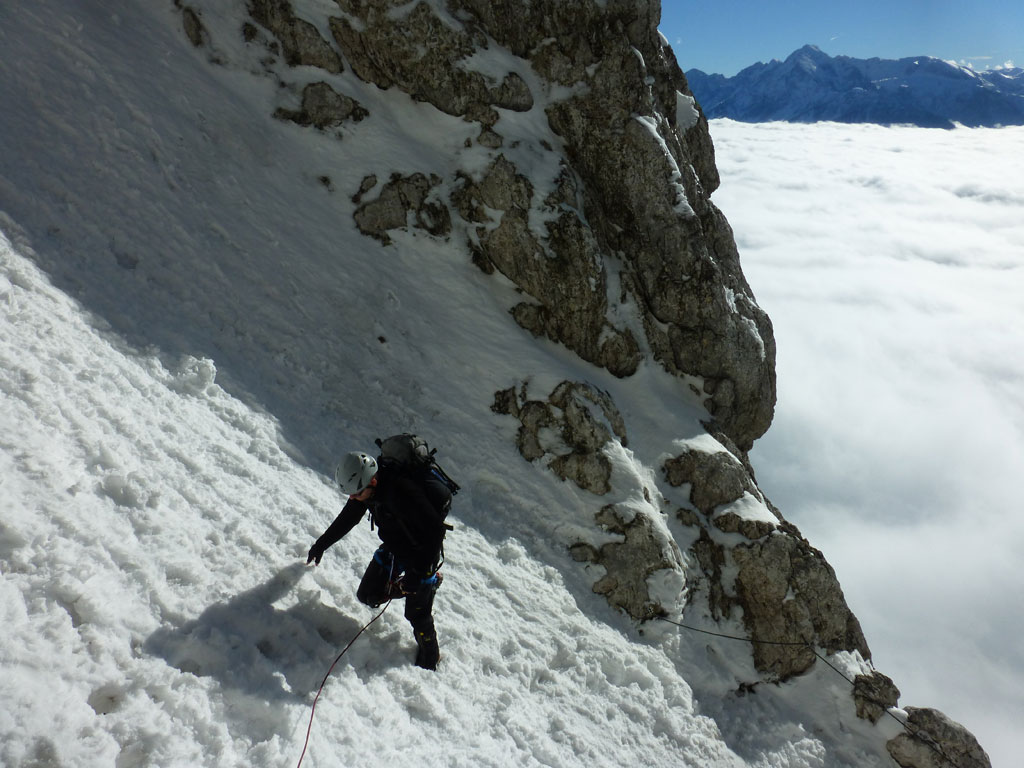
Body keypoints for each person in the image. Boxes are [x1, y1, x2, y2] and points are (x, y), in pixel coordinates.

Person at [306, 450, 451, 670]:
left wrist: (419, 574)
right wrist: (321, 544)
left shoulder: (403, 494)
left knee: (417, 615)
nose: (353, 498)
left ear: (373, 481)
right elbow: (349, 517)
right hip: (395, 549)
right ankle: (410, 585)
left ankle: (431, 661)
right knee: (368, 595)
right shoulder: (367, 489)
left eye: (357, 494)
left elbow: (435, 533)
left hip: (422, 555)